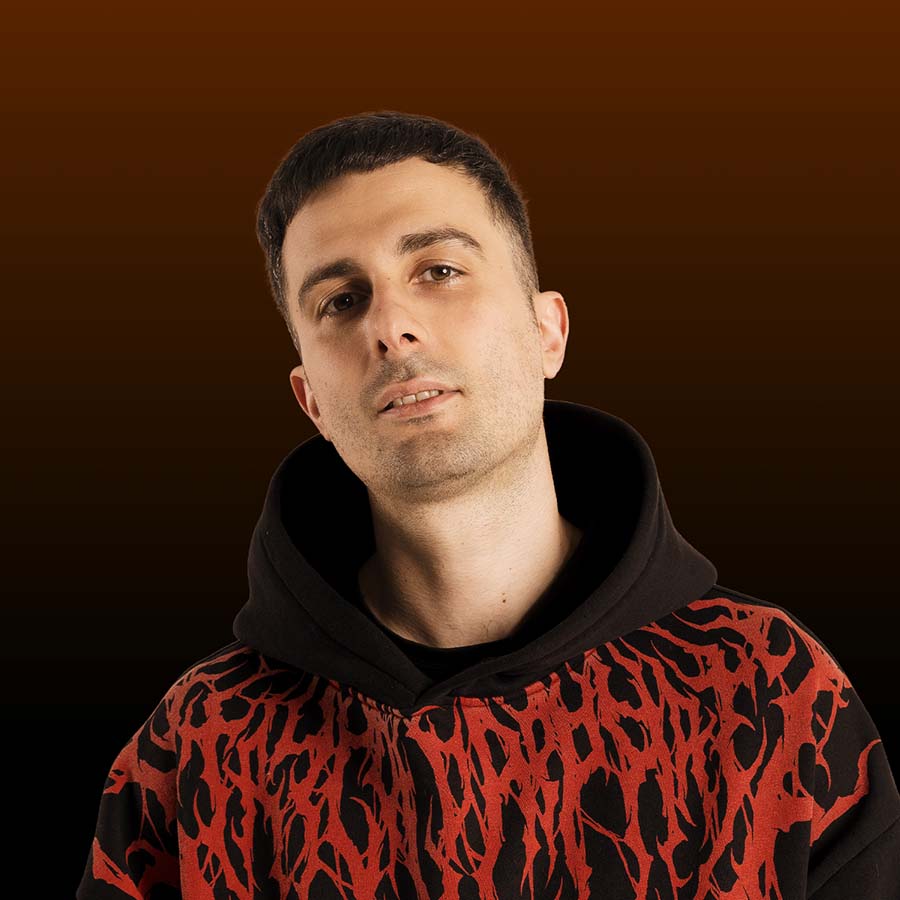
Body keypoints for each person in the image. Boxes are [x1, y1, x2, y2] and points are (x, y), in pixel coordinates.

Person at [77, 111, 899, 900]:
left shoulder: (767, 690)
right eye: (342, 300)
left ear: (549, 332)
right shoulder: (203, 744)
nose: (392, 326)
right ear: (311, 402)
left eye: (438, 270)